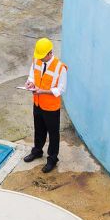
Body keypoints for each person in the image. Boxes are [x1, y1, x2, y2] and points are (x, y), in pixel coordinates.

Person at [23, 37, 67, 173]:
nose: (40, 59)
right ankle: (37, 151)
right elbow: (32, 76)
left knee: (53, 134)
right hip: (37, 103)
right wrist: (30, 82)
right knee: (39, 129)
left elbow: (61, 89)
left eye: (43, 57)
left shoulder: (60, 68)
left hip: (51, 107)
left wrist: (43, 91)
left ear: (50, 53)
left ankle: (52, 159)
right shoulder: (37, 60)